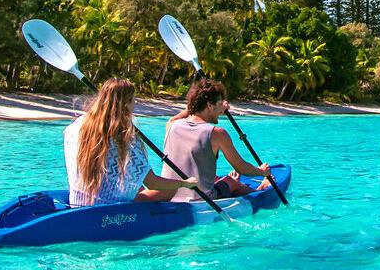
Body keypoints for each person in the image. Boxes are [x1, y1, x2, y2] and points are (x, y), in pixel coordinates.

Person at [63, 78, 197, 206]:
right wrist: (184, 183)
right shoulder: (124, 136)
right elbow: (152, 183)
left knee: (136, 185)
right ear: (126, 103)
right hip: (108, 206)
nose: (135, 104)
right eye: (134, 100)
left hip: (77, 202)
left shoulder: (76, 125)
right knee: (169, 189)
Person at [144, 78, 272, 203]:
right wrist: (262, 171)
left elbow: (183, 114)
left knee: (215, 178)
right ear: (209, 105)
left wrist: (202, 102)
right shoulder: (217, 133)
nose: (221, 110)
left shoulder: (172, 125)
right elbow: (241, 168)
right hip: (200, 199)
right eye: (219, 104)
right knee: (230, 181)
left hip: (168, 195)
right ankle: (259, 190)